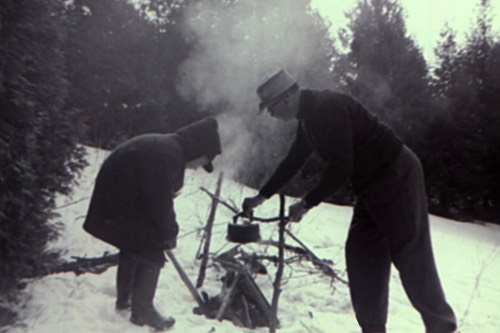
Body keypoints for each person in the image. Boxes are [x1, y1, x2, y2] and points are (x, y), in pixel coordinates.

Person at [242, 69, 457, 333]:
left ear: (285, 98)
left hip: (396, 174)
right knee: (362, 257)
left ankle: (442, 328)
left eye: (271, 109)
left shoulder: (327, 108)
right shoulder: (308, 118)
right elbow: (293, 161)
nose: (272, 116)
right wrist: (261, 196)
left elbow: (342, 166)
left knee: (412, 256)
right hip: (370, 187)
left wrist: (307, 203)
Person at [83, 117, 222, 331]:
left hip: (117, 198)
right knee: (152, 245)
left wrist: (165, 228)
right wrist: (169, 232)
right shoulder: (169, 153)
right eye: (203, 161)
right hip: (117, 199)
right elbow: (159, 200)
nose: (199, 166)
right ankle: (142, 310)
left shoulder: (169, 148)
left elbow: (156, 197)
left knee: (135, 243)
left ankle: (125, 300)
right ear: (197, 149)